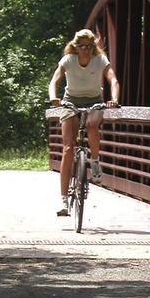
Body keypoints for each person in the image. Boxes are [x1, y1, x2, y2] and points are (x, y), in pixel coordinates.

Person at [48, 29, 119, 216]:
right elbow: (55, 80)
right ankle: (63, 200)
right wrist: (53, 97)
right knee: (68, 148)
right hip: (70, 101)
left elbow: (113, 80)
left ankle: (94, 161)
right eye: (82, 47)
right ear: (76, 47)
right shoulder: (68, 60)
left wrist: (114, 99)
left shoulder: (100, 60)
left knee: (92, 124)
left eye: (89, 46)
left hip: (94, 100)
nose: (86, 50)